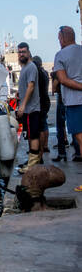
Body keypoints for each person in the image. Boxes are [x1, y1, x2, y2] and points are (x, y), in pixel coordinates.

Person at [52, 26, 82, 172]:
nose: (59, 41)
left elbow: (62, 80)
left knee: (80, 138)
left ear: (62, 38)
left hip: (74, 102)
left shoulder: (60, 55)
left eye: (59, 38)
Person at [15, 43, 43, 172]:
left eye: (24, 52)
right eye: (19, 52)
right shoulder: (25, 67)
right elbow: (26, 86)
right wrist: (19, 94)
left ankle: (32, 165)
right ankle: (32, 163)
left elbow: (31, 87)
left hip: (31, 109)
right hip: (28, 109)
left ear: (28, 52)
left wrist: (23, 105)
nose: (21, 54)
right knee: (31, 136)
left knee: (34, 136)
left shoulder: (31, 67)